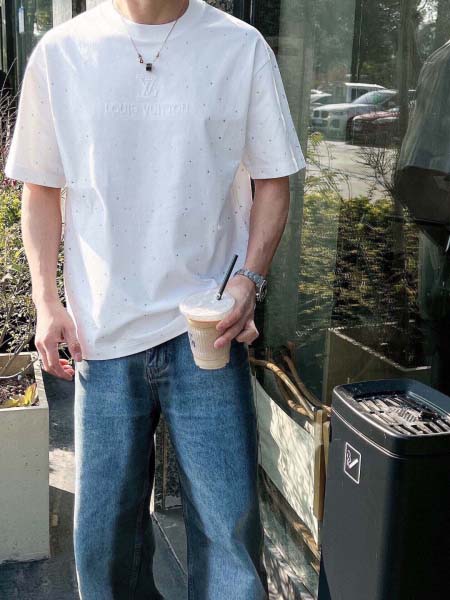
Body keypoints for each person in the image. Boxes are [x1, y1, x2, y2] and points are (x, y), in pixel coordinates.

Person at [4, 0, 305, 597]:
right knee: (104, 546)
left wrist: (250, 280)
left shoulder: (239, 47)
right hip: (102, 333)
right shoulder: (63, 53)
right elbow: (40, 190)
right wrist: (46, 301)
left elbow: (274, 179)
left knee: (228, 536)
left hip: (208, 331)